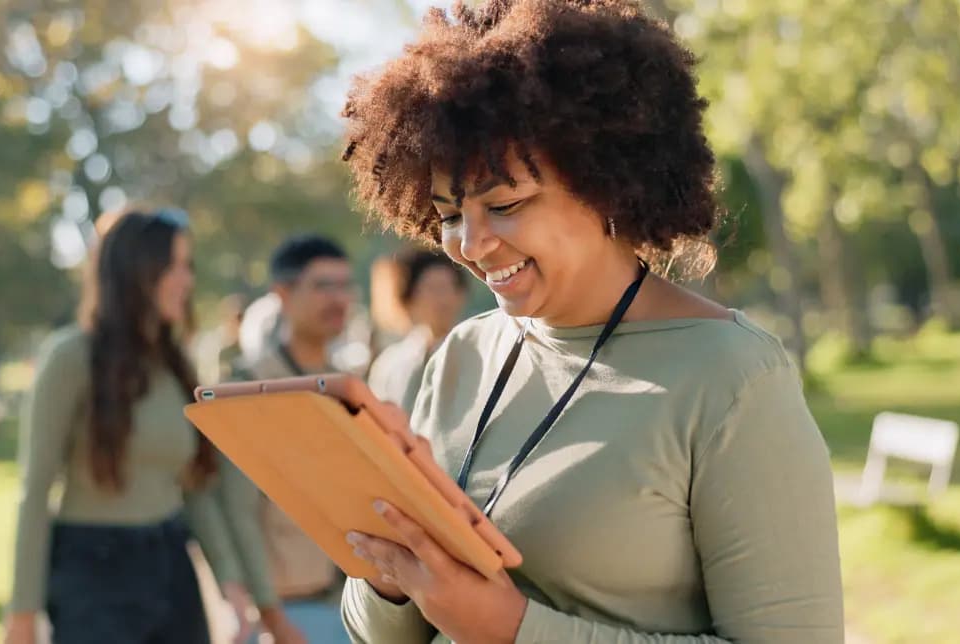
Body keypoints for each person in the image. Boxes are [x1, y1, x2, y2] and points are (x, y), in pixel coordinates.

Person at [337, 2, 845, 643]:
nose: (470, 242)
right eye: (449, 214)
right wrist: (389, 575)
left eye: (506, 203)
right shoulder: (463, 355)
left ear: (607, 183)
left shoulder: (733, 377)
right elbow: (381, 635)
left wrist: (512, 629)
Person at [4, 208, 259, 644]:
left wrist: (232, 588)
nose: (187, 280)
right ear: (135, 272)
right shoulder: (70, 357)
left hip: (171, 564)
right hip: (93, 570)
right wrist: (22, 615)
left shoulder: (175, 365)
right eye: (174, 266)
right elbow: (34, 490)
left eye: (189, 266)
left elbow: (193, 486)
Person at [215, 234, 357, 644]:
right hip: (285, 614)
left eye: (345, 285)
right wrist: (271, 618)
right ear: (283, 293)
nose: (338, 299)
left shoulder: (348, 386)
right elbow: (237, 511)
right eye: (322, 285)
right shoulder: (247, 387)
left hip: (350, 602)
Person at [366, 248, 468, 412]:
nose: (444, 299)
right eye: (433, 289)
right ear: (409, 297)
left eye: (451, 287)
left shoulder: (476, 353)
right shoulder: (391, 363)